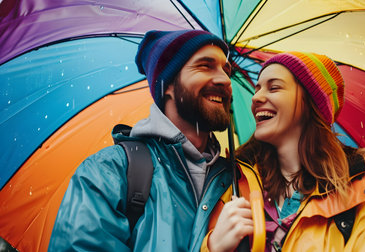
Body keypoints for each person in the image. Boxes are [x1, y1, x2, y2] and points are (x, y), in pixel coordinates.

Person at [48, 30, 234, 252]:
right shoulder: (109, 172)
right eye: (205, 66)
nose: (224, 79)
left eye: (226, 69)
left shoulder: (238, 179)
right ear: (169, 86)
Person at [202, 52, 365, 251]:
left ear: (309, 104)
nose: (256, 98)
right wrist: (214, 247)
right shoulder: (230, 185)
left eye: (274, 88)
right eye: (257, 89)